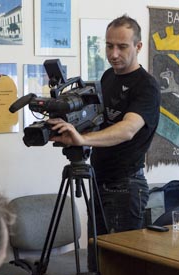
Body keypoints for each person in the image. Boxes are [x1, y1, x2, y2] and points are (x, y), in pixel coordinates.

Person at [49, 15, 161, 237]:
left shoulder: (147, 86)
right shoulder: (108, 76)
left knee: (119, 258)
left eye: (122, 47)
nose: (113, 54)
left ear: (138, 46)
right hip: (99, 179)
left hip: (125, 186)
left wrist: (83, 139)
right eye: (109, 46)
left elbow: (127, 129)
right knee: (96, 253)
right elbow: (98, 120)